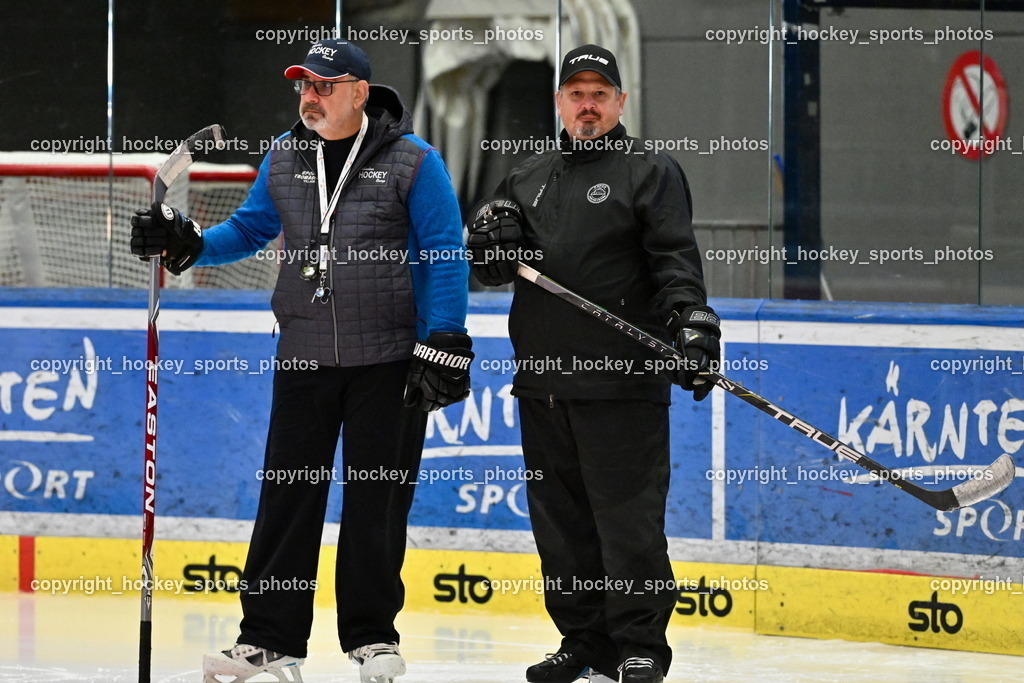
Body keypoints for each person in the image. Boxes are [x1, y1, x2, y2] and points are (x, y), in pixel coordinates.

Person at [130, 39, 472, 683]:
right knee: (287, 499)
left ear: (359, 93)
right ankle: (268, 640)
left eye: (324, 85)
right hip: (305, 355)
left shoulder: (413, 162)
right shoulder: (285, 155)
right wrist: (189, 242)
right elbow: (251, 229)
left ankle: (372, 638)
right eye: (303, 86)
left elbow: (443, 251)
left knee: (376, 502)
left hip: (389, 358)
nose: (310, 98)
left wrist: (445, 337)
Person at [466, 45, 719, 683]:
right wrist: (486, 252)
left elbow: (674, 260)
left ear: (620, 103)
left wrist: (691, 321)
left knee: (628, 522)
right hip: (544, 384)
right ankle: (584, 642)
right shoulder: (525, 176)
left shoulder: (648, 170)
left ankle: (638, 645)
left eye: (599, 94)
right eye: (576, 93)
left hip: (622, 382)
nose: (587, 104)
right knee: (562, 527)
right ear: (559, 102)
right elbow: (489, 262)